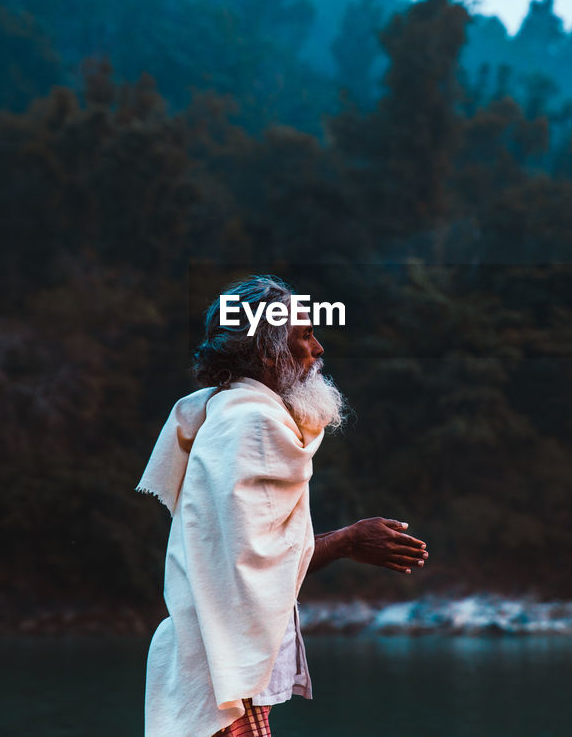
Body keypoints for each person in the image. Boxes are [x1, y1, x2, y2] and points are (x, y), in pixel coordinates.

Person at [137, 274, 429, 737]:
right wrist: (348, 541)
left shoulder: (233, 413)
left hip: (218, 665)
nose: (320, 349)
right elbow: (245, 564)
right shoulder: (250, 423)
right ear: (269, 352)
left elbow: (248, 555)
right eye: (306, 335)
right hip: (221, 677)